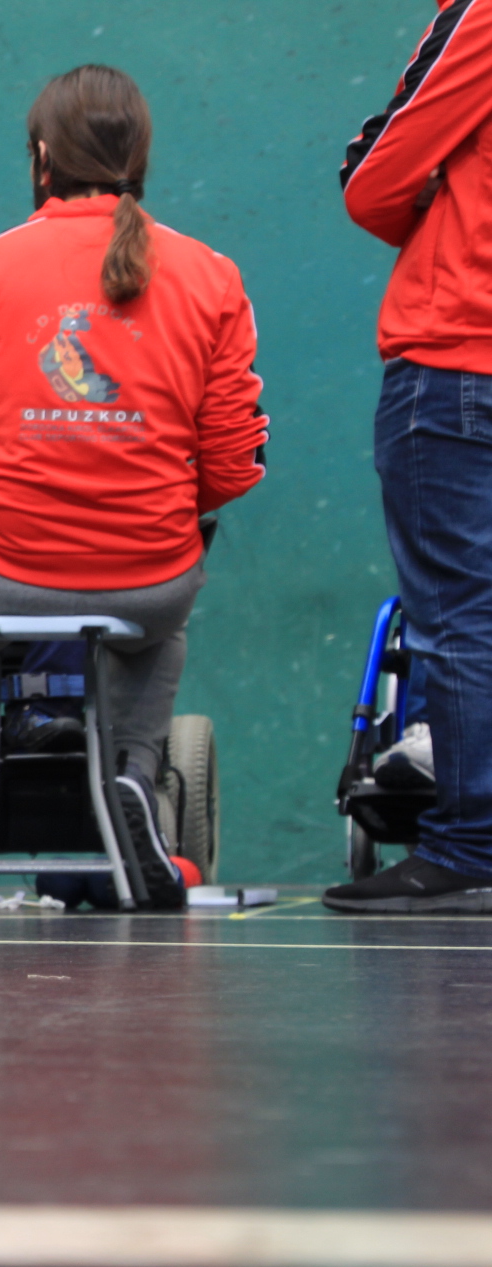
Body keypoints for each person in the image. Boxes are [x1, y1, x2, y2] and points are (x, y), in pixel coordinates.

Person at [0, 65, 270, 909]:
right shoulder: (212, 275)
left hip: (1, 566)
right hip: (149, 571)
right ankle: (130, 773)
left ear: (41, 158)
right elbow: (231, 463)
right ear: (141, 157)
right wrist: (158, 510)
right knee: (159, 618)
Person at [326, 1, 492, 912]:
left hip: (464, 355)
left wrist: (440, 213)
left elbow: (375, 175)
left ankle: (470, 845)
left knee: (463, 617)